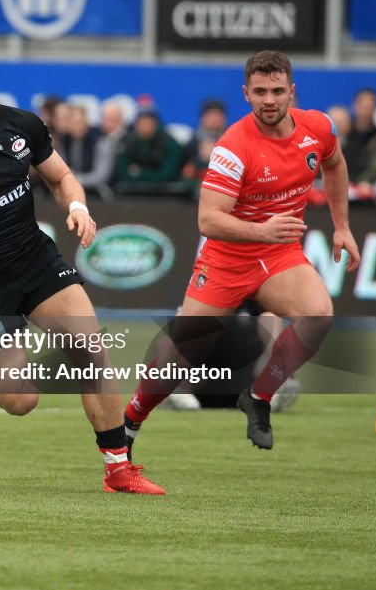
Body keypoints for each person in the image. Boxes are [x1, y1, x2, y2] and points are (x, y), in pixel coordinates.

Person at [0, 39, 165, 495]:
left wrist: (76, 206)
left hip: (35, 260)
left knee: (92, 350)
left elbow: (60, 177)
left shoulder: (22, 126)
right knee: (21, 400)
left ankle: (118, 469)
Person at [123, 50, 361, 453]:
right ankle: (131, 420)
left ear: (292, 92)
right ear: (246, 93)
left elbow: (334, 165)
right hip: (227, 259)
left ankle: (260, 395)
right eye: (260, 91)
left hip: (279, 255)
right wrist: (261, 229)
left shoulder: (318, 127)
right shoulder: (232, 146)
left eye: (278, 91)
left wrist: (342, 227)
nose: (270, 99)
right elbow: (208, 220)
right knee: (184, 349)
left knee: (318, 313)